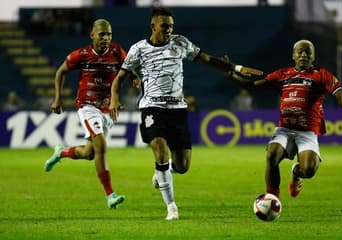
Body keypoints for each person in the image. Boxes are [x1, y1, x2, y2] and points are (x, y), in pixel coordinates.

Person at [109, 7, 262, 220]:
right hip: (152, 107)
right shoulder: (138, 49)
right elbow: (119, 78)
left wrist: (234, 67)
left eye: (171, 27)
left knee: (182, 166)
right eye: (164, 27)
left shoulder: (180, 43)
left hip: (178, 110)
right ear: (153, 26)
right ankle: (171, 207)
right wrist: (114, 97)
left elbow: (207, 59)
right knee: (160, 149)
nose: (169, 30)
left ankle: (164, 171)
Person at [228, 39, 342, 199]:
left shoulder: (322, 75)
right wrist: (230, 73)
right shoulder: (281, 75)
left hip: (307, 132)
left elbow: (341, 95)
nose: (304, 55)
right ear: (293, 55)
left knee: (308, 171)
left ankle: (296, 172)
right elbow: (251, 86)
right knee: (271, 154)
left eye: (308, 52)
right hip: (285, 129)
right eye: (300, 52)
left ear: (313, 56)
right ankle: (272, 198)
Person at [44, 19, 128, 209]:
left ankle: (62, 152)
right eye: (102, 34)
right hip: (87, 105)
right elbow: (60, 72)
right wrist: (58, 98)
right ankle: (110, 195)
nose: (106, 38)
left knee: (90, 153)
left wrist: (135, 78)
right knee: (101, 145)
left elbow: (127, 69)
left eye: (109, 34)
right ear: (92, 35)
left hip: (107, 108)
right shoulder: (81, 55)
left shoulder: (116, 52)